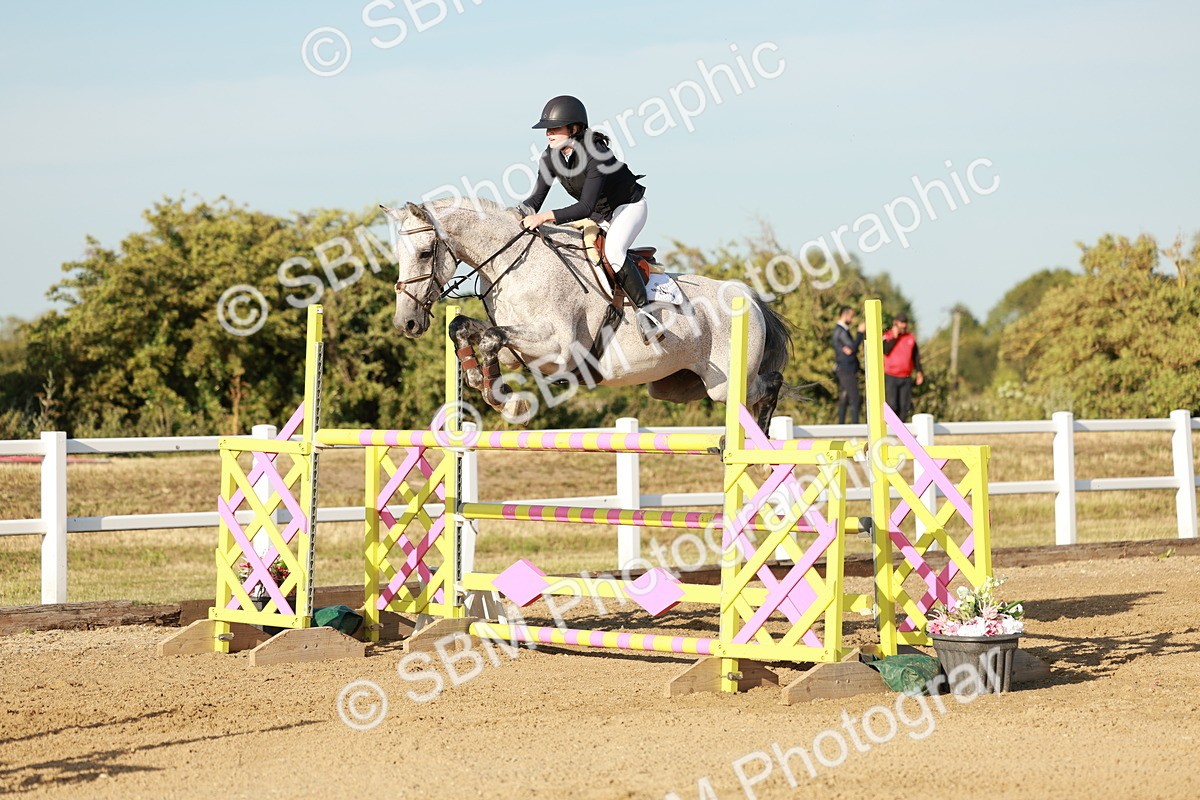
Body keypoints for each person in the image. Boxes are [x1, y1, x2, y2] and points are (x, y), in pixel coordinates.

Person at [519, 95, 663, 344]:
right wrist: (516, 214)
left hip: (628, 208)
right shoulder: (550, 156)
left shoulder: (596, 154)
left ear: (574, 128)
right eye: (547, 130)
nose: (548, 134)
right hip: (599, 215)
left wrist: (544, 218)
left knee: (614, 252)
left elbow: (585, 207)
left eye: (554, 128)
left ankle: (646, 315)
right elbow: (536, 199)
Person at [882, 312, 924, 420]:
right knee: (892, 405)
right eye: (901, 322)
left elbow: (915, 357)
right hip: (891, 376)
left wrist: (919, 372)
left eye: (905, 322)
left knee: (904, 407)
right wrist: (895, 337)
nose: (904, 325)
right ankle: (891, 429)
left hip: (906, 377)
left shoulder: (910, 338)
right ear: (895, 323)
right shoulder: (887, 336)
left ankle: (901, 433)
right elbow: (885, 350)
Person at [832, 305, 865, 424]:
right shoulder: (840, 331)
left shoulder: (842, 330)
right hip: (846, 370)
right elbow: (852, 347)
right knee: (854, 399)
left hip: (846, 369)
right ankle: (854, 426)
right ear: (844, 315)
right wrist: (860, 333)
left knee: (844, 399)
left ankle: (841, 426)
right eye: (851, 316)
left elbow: (851, 349)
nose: (852, 319)